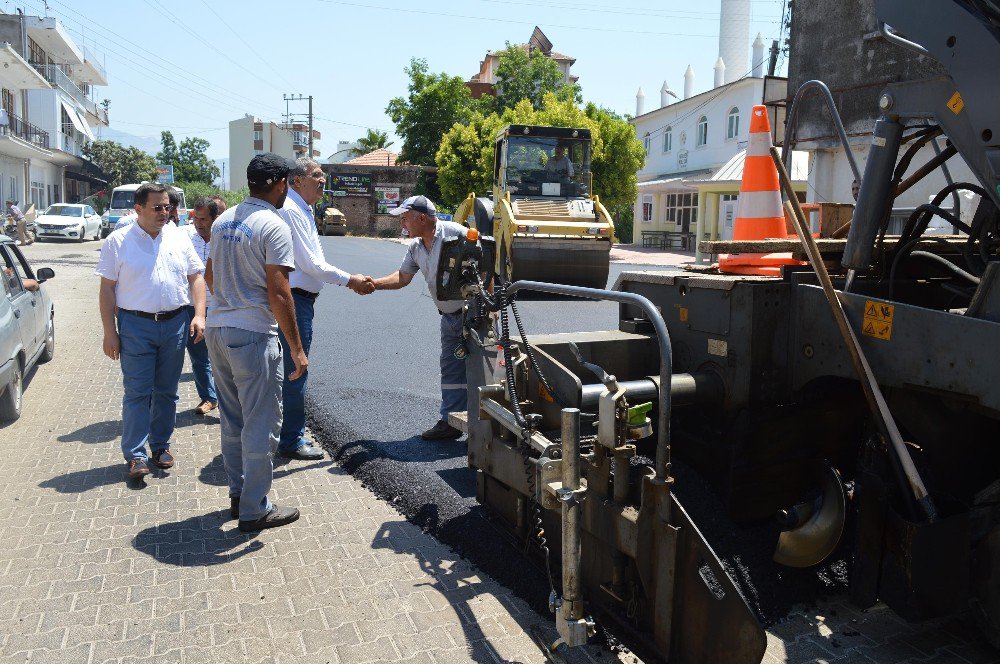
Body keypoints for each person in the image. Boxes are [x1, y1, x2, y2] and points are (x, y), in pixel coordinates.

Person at [204, 153, 307, 532]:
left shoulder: (223, 221)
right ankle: (254, 509)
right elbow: (279, 292)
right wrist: (296, 348)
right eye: (289, 184)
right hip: (252, 336)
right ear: (280, 183)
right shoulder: (273, 225)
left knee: (232, 421)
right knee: (261, 425)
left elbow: (210, 275)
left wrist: (230, 302)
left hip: (218, 330)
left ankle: (238, 494)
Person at [96, 183, 207, 479]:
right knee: (137, 392)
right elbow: (107, 289)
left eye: (168, 206)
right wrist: (110, 332)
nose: (164, 212)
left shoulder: (179, 238)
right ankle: (135, 455)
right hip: (135, 326)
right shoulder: (118, 241)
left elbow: (196, 276)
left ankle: (160, 446)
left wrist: (199, 314)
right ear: (138, 209)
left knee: (167, 393)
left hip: (175, 324)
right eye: (157, 207)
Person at [276, 158, 374, 460]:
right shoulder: (292, 211)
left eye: (322, 176)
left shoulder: (303, 209)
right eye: (316, 175)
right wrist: (350, 280)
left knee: (292, 368)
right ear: (296, 181)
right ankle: (291, 440)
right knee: (297, 369)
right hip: (294, 300)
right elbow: (310, 263)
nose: (322, 180)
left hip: (300, 298)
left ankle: (285, 433)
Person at [370, 196, 467, 441]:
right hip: (449, 318)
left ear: (422, 218)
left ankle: (484, 427)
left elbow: (489, 262)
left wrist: (490, 308)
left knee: (482, 371)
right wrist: (373, 284)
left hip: (475, 316)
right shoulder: (415, 247)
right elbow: (402, 278)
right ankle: (451, 422)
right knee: (451, 370)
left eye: (405, 218)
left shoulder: (457, 234)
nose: (403, 224)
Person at [185, 197, 219, 415]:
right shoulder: (185, 239)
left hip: (219, 307)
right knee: (199, 357)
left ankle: (229, 401)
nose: (198, 223)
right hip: (193, 307)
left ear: (214, 218)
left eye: (203, 218)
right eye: (195, 218)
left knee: (222, 358)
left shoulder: (224, 238)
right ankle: (209, 398)